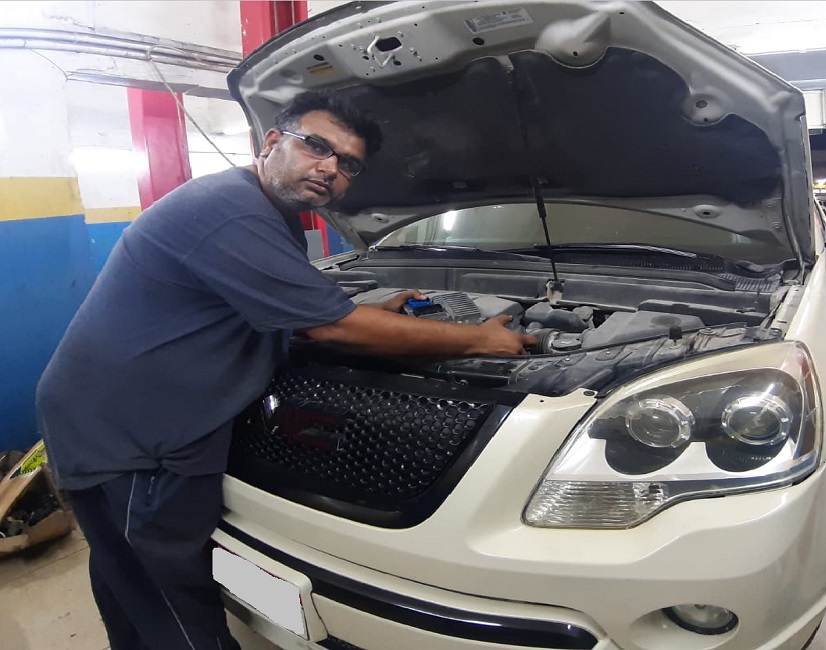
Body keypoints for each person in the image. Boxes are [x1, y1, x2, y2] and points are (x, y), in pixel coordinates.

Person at [35, 89, 535, 650]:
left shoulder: (270, 213)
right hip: (131, 437)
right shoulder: (230, 210)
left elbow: (282, 313)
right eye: (317, 146)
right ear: (272, 141)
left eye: (348, 164)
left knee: (126, 575)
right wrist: (479, 338)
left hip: (120, 413)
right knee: (168, 594)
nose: (330, 168)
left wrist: (372, 314)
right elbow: (333, 329)